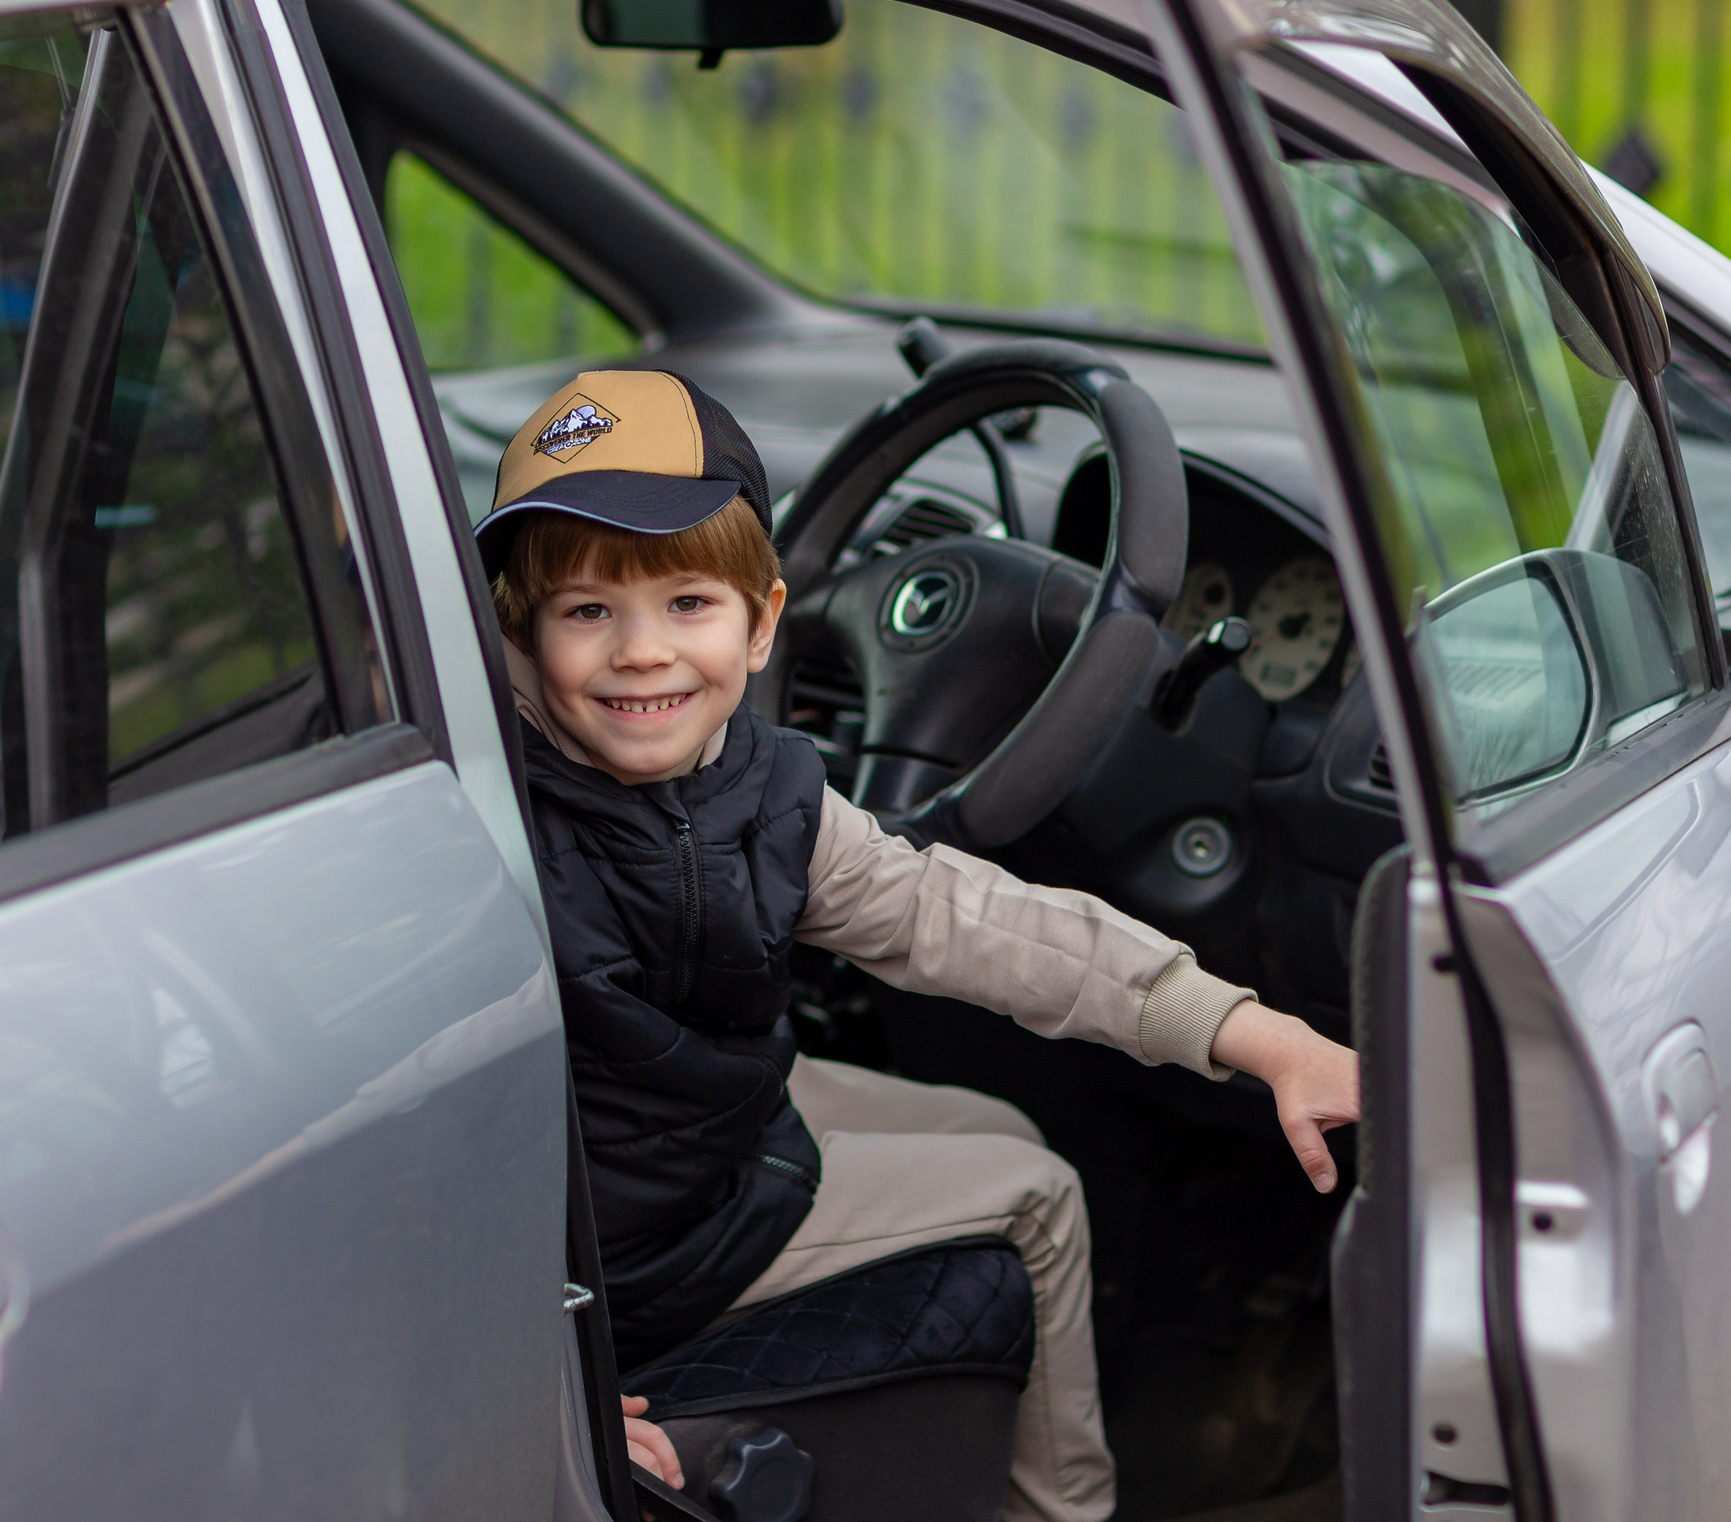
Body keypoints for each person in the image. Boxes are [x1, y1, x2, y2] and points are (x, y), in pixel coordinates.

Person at [481, 369, 1360, 1522]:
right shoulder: (501, 838)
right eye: (588, 611)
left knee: (995, 1127)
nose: (642, 652)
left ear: (763, 627)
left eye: (686, 602)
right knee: (1037, 1197)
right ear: (517, 641)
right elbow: (446, 1137)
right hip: (633, 1243)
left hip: (676, 1141)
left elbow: (967, 922)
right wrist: (548, 1369)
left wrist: (1249, 1033)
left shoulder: (763, 789)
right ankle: (1061, 1512)